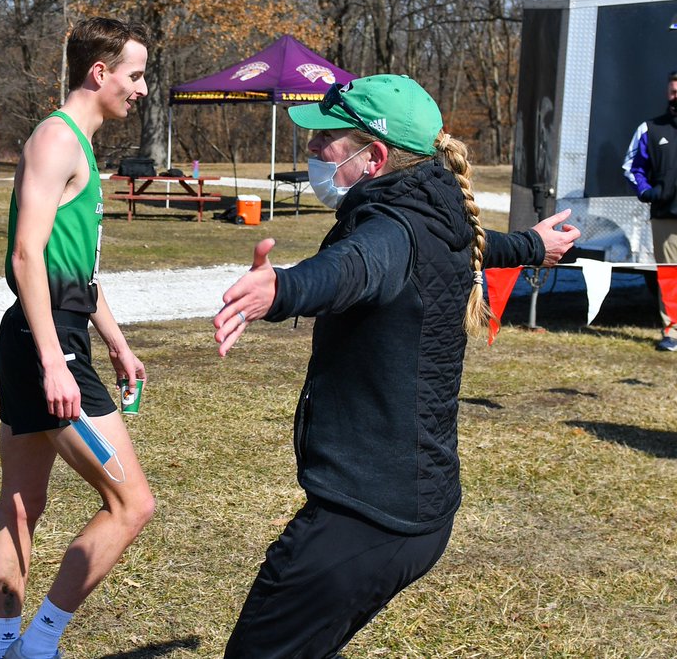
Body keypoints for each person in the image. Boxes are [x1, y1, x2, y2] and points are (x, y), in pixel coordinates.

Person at [211, 75, 580, 658]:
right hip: (418, 509)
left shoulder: (389, 229)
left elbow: (349, 269)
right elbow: (481, 246)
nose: (310, 151)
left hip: (366, 517)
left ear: (373, 157)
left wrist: (281, 289)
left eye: (325, 141)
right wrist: (533, 246)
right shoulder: (436, 211)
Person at [0, 17, 155, 659]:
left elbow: (75, 268)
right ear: (100, 72)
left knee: (24, 502)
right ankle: (36, 644)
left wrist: (115, 339)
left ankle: (5, 649)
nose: (140, 90)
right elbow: (28, 257)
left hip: (54, 333)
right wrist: (55, 362)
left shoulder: (82, 146)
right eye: (135, 75)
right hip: (43, 341)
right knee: (132, 504)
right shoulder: (56, 141)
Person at [623, 70, 677, 351]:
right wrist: (646, 191)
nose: (675, 96)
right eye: (673, 90)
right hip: (666, 216)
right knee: (670, 274)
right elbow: (631, 167)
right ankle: (672, 331)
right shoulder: (652, 129)